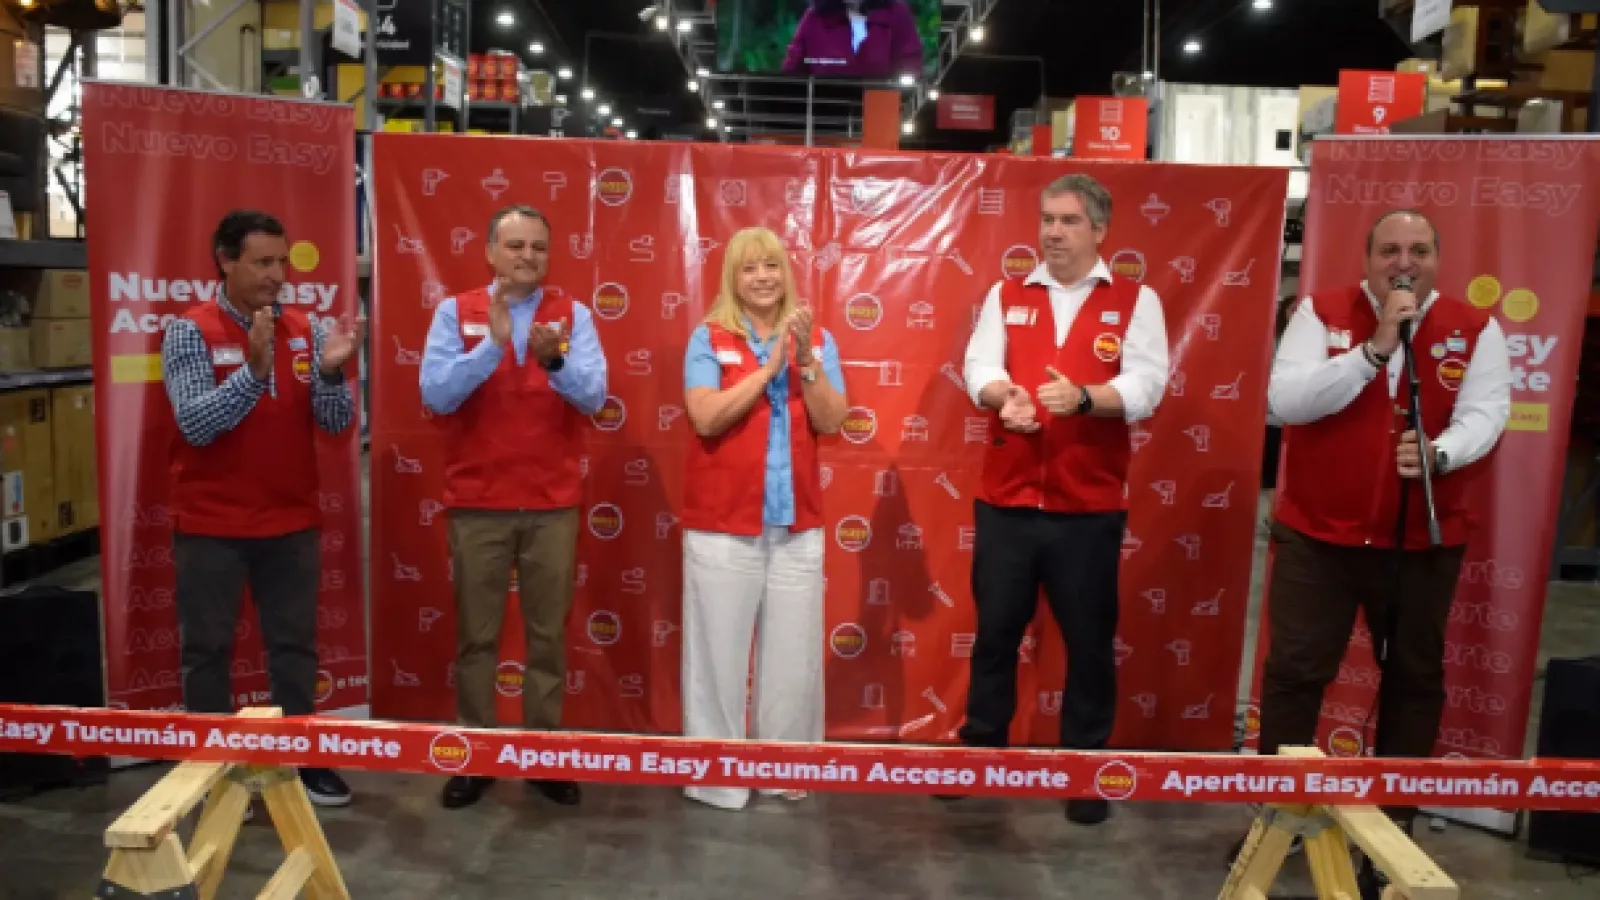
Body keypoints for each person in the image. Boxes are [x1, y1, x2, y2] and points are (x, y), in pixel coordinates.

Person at [1257, 209, 1510, 847]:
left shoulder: (1475, 328)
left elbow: (1486, 414)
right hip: (1317, 539)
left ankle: (1392, 833)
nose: (1404, 263)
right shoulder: (1319, 314)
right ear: (1368, 260)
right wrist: (1373, 351)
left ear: (1437, 261)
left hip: (1421, 543)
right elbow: (1285, 403)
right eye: (1390, 250)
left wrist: (1440, 453)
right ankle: (1277, 826)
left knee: (1413, 679)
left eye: (1419, 251)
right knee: (1294, 675)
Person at [952, 174, 1170, 824]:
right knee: (995, 636)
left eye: (1069, 221)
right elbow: (978, 367)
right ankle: (979, 755)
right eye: (1047, 219)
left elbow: (1148, 385)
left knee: (1089, 644)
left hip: (1088, 509)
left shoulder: (1136, 300)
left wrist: (1083, 399)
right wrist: (1005, 397)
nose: (1053, 232)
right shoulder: (1007, 293)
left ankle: (1085, 772)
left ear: (1099, 230)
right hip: (1007, 502)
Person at [162, 209, 364, 807]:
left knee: (295, 649)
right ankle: (214, 774)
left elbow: (335, 424)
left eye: (282, 262)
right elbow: (196, 425)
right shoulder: (189, 331)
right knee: (207, 653)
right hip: (211, 526)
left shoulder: (306, 328)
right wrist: (253, 374)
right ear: (226, 262)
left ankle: (300, 761)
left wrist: (331, 373)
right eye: (262, 262)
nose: (277, 275)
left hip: (290, 522)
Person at [419, 205, 608, 810]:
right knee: (477, 637)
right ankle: (475, 756)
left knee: (547, 637)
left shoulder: (574, 315)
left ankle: (542, 753)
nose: (528, 256)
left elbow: (595, 396)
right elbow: (435, 394)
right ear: (490, 252)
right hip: (478, 503)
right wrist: (492, 347)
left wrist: (554, 362)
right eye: (515, 245)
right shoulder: (455, 313)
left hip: (552, 505)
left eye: (538, 247)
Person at [679, 226, 848, 811]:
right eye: (749, 268)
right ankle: (717, 776)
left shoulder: (816, 338)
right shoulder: (709, 337)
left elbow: (832, 420)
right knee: (717, 655)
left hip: (796, 522)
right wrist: (768, 369)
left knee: (793, 656)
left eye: (771, 266)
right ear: (733, 277)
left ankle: (783, 765)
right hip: (722, 521)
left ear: (786, 273)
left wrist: (806, 365)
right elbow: (705, 417)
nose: (762, 278)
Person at [782, 0, 924, 79]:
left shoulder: (896, 12)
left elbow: (911, 64)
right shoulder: (814, 17)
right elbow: (792, 71)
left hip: (882, 113)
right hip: (826, 115)